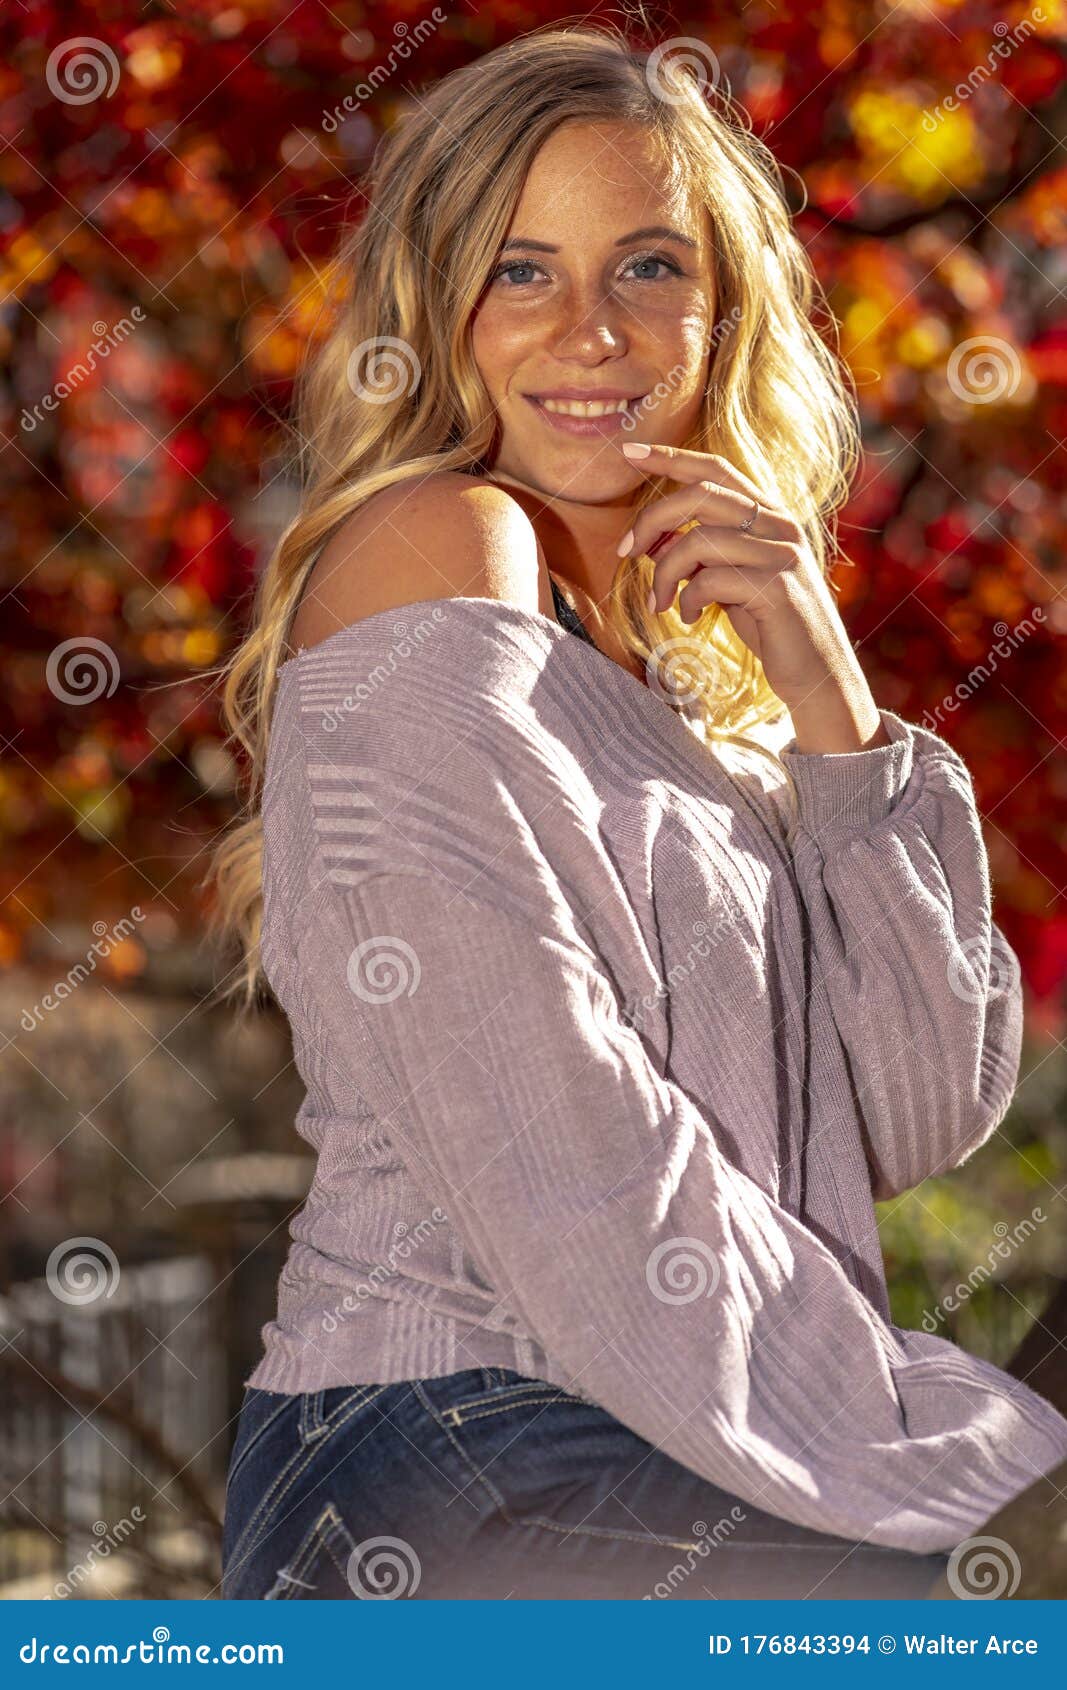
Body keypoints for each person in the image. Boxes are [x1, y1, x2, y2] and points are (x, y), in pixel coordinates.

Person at [206, 24, 1067, 1601]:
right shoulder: (438, 542)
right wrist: (934, 1443)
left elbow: (916, 1106)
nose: (590, 331)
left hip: (671, 1434)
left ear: (724, 307)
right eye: (521, 271)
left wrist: (833, 706)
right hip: (449, 1437)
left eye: (650, 267)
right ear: (437, 313)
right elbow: (563, 1148)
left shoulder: (702, 691)